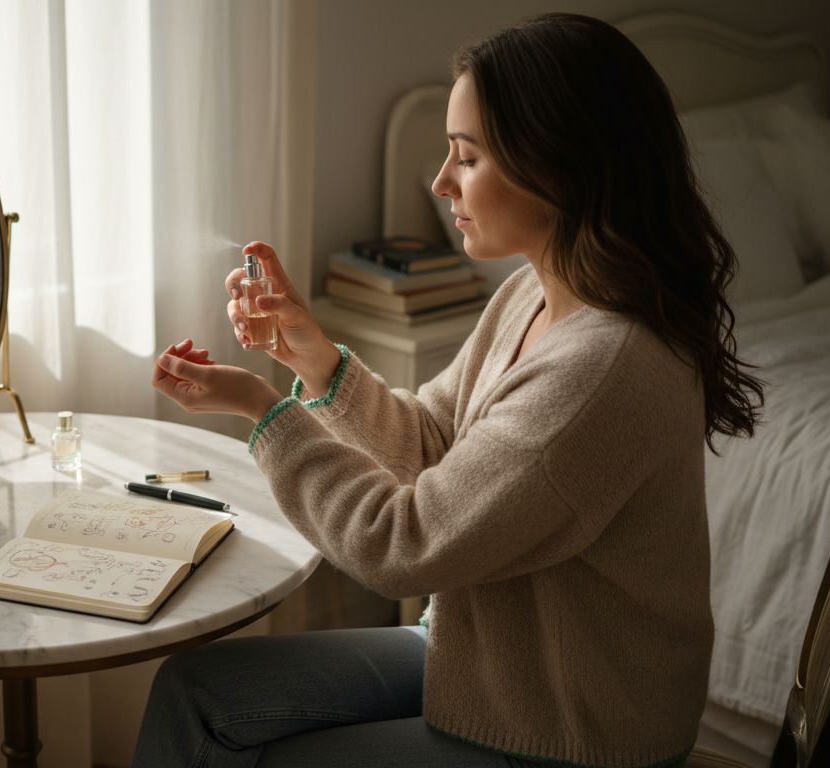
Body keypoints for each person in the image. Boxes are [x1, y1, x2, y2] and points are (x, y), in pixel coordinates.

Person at [135, 13, 763, 768]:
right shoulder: (532, 295)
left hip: (573, 728)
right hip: (487, 661)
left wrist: (262, 412)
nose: (440, 183)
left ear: (557, 166)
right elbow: (436, 440)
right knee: (193, 692)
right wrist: (316, 362)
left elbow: (405, 544)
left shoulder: (603, 370)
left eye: (466, 158)